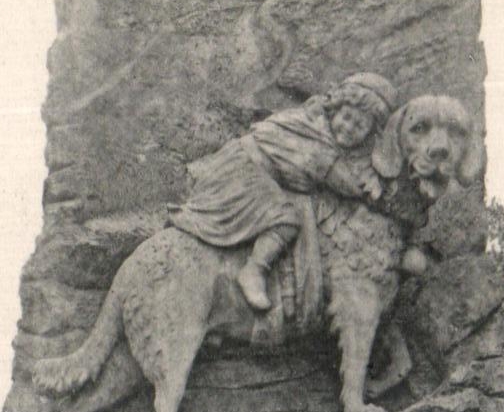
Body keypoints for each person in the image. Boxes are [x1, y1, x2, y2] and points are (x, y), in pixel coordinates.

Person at [169, 72, 398, 313]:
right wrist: (378, 189)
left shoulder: (321, 131)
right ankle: (255, 270)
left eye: (360, 125)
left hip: (249, 168)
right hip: (245, 171)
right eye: (347, 117)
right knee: (287, 219)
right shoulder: (316, 137)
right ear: (334, 108)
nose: (350, 127)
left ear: (370, 135)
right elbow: (346, 184)